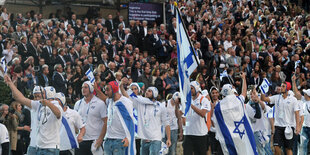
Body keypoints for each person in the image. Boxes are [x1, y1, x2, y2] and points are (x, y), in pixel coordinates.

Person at [4, 75, 63, 155]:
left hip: (50, 147)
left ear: (47, 94)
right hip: (37, 146)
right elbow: (21, 98)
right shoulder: (38, 105)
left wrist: (48, 104)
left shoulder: (57, 106)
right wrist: (10, 83)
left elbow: (58, 113)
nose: (39, 97)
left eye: (42, 94)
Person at [119, 78, 171, 155]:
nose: (147, 92)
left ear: (155, 93)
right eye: (146, 90)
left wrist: (169, 138)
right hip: (144, 140)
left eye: (149, 91)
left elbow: (166, 123)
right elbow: (127, 96)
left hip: (155, 140)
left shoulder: (161, 106)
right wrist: (121, 86)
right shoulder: (140, 103)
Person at [213, 72, 257, 155]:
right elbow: (244, 92)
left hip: (229, 138)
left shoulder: (218, 107)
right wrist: (243, 78)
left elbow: (216, 122)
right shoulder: (238, 100)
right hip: (242, 134)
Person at [261, 81, 300, 155]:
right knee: (276, 147)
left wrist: (297, 126)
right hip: (278, 126)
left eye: (283, 86)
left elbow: (297, 114)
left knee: (288, 149)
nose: (280, 88)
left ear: (287, 88)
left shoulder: (293, 99)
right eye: (281, 86)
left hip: (289, 127)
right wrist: (263, 90)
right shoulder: (276, 97)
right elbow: (264, 99)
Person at [74, 81, 107, 155]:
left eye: (85, 87)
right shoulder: (78, 103)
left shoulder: (100, 103)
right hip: (81, 140)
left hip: (94, 140)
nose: (83, 89)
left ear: (91, 89)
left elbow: (106, 121)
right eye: (82, 87)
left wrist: (100, 139)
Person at [103, 81, 135, 154]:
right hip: (108, 140)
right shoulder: (110, 101)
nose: (106, 92)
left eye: (108, 90)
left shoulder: (125, 102)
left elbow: (130, 121)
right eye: (105, 90)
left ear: (114, 90)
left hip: (119, 140)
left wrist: (128, 137)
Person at [182, 81, 211, 155]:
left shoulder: (204, 100)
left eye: (191, 88)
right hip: (188, 133)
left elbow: (202, 113)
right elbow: (181, 115)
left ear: (196, 88)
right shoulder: (187, 100)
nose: (190, 90)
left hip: (200, 134)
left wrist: (191, 105)